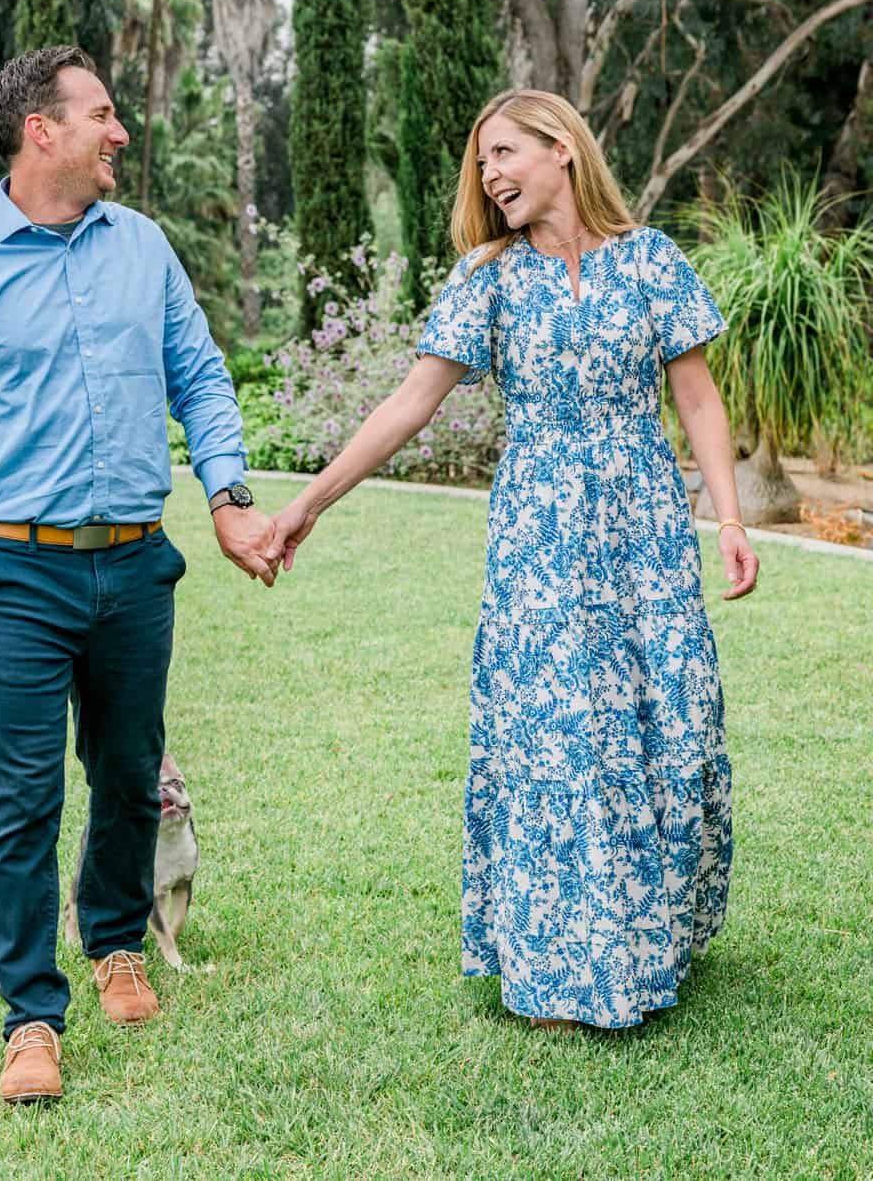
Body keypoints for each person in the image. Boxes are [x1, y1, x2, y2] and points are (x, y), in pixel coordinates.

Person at [272, 89, 758, 1032]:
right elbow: (409, 404)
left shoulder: (652, 262)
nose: (490, 174)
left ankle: (653, 932)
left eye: (504, 153)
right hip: (541, 541)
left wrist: (729, 519)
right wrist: (306, 504)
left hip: (648, 533)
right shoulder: (487, 279)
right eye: (481, 162)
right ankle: (560, 971)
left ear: (562, 148)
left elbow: (696, 400)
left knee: (675, 721)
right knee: (562, 741)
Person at [0, 45, 280, 1103]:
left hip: (137, 566)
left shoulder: (143, 250)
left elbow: (200, 375)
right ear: (39, 130)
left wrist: (230, 499)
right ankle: (30, 1018)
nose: (121, 133)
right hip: (14, 569)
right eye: (102, 114)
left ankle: (114, 941)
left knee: (128, 769)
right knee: (18, 796)